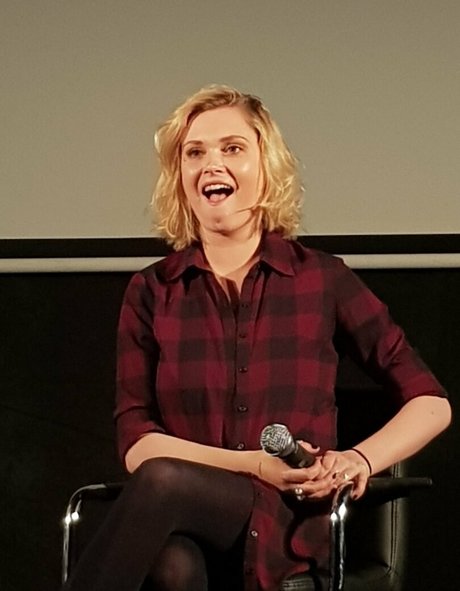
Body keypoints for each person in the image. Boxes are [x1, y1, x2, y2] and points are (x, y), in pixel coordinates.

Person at [62, 85, 451, 591]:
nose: (212, 164)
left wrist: (359, 460)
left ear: (266, 167)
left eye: (232, 148)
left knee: (163, 491)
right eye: (194, 153)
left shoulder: (322, 280)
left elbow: (432, 403)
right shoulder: (151, 291)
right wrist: (253, 465)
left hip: (286, 522)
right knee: (173, 558)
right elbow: (138, 444)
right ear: (179, 177)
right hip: (183, 518)